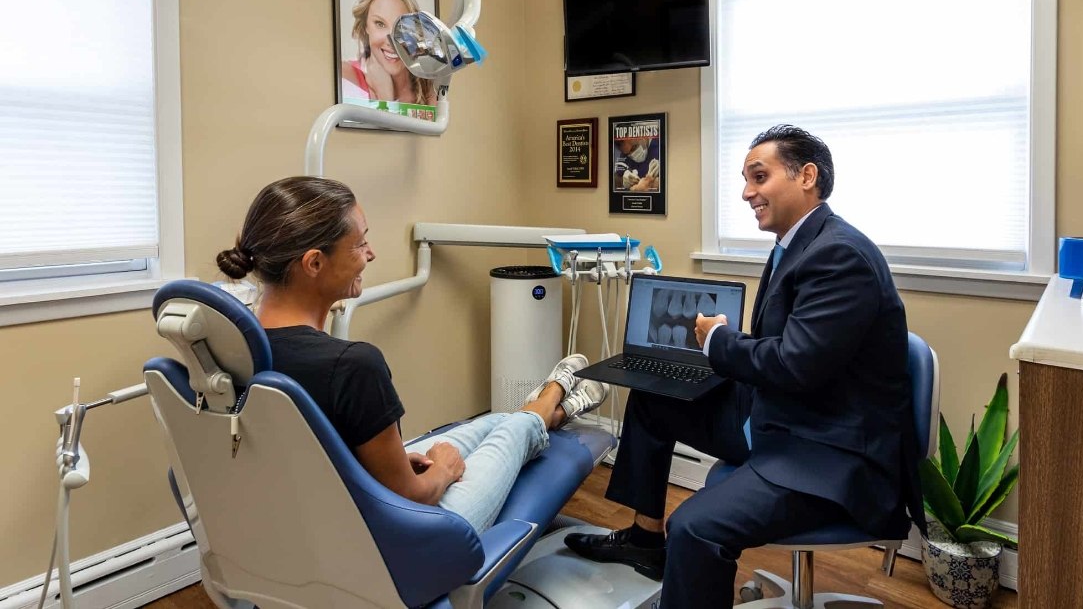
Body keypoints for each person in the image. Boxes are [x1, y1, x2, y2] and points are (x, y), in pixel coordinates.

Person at [565, 125, 925, 607]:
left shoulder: (839, 255)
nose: (746, 192)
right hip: (783, 414)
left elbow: (796, 365)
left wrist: (719, 340)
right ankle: (645, 541)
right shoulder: (794, 246)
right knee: (653, 399)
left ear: (807, 177)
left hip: (827, 450)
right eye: (744, 179)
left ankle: (673, 543)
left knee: (694, 527)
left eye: (759, 176)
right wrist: (716, 357)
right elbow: (794, 352)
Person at [216, 176, 607, 534]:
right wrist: (442, 471)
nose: (370, 254)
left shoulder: (224, 353)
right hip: (404, 542)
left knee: (497, 421)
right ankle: (554, 392)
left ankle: (548, 409)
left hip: (309, 525)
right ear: (314, 263)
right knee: (514, 431)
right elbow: (413, 498)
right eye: (360, 243)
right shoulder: (352, 365)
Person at [340, 0, 438, 107]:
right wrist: (385, 97)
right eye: (380, 24)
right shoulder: (345, 78)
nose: (391, 40)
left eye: (401, 26)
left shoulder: (428, 87)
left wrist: (385, 97)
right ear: (365, 26)